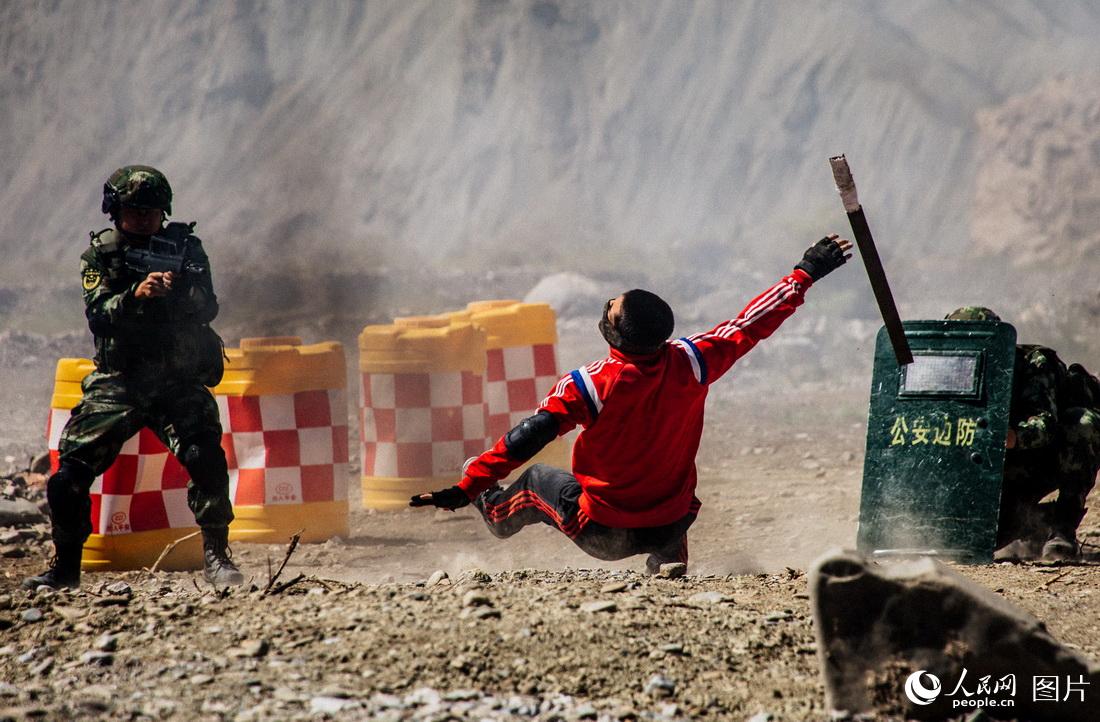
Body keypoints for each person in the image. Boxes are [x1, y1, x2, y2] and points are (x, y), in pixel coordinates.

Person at [410, 235, 852, 572]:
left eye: (611, 310)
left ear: (616, 335)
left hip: (605, 533)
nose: (606, 307)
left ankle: (492, 510)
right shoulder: (694, 361)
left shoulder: (588, 386)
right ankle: (668, 566)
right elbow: (750, 323)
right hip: (671, 522)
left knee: (535, 479)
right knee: (669, 497)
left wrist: (469, 485)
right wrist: (805, 272)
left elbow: (527, 437)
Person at [24, 165, 244, 589]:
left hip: (176, 379)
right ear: (115, 210)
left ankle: (217, 556)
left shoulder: (186, 250)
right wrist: (135, 295)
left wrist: (176, 291)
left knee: (205, 459)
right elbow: (98, 315)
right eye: (133, 209)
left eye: (152, 209)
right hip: (120, 381)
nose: (144, 217)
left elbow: (208, 307)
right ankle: (66, 568)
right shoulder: (101, 256)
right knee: (68, 476)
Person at [946, 307, 1100, 561]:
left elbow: (1045, 425)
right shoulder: (950, 372)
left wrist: (1013, 437)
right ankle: (1037, 525)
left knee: (1082, 423)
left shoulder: (1033, 364)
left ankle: (1062, 528)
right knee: (984, 537)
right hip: (990, 470)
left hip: (1040, 457)